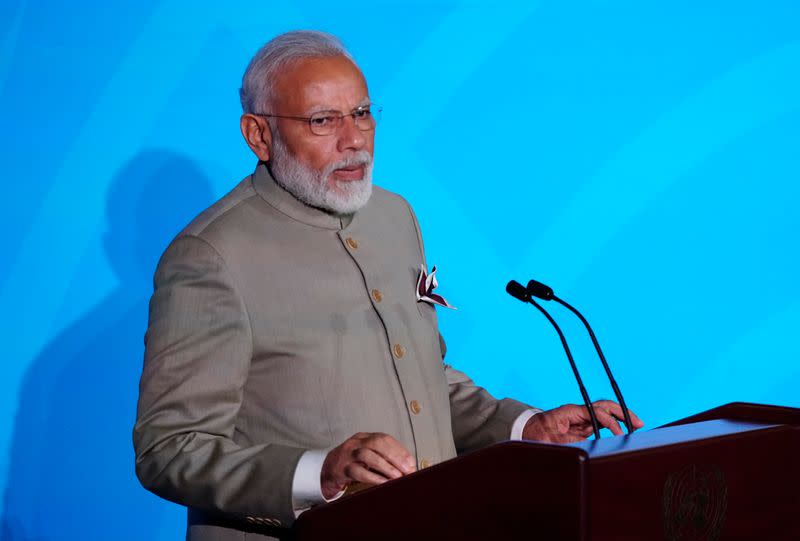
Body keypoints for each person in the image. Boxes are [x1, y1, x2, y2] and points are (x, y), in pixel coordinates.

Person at [133, 30, 643, 541]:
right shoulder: (211, 256)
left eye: (361, 113)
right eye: (322, 121)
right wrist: (319, 473)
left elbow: (422, 379)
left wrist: (525, 427)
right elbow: (170, 447)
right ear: (258, 135)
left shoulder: (395, 217)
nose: (354, 138)